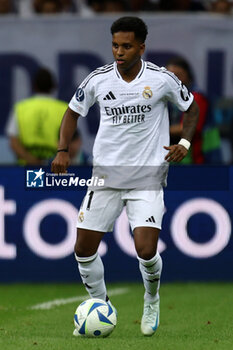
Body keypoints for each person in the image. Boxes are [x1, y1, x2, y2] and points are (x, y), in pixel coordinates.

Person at [51, 16, 199, 336]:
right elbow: (72, 112)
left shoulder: (162, 79)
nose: (119, 51)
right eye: (115, 45)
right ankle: (102, 306)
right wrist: (62, 149)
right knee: (83, 250)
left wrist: (184, 142)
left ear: (141, 47)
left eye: (127, 46)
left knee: (145, 250)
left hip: (147, 175)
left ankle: (152, 298)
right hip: (105, 175)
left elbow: (192, 108)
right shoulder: (98, 79)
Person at [6, 67, 67, 165]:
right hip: (55, 167)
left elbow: (13, 142)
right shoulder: (63, 109)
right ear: (53, 86)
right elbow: (71, 142)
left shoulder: (20, 108)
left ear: (34, 86)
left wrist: (30, 159)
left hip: (25, 168)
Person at [166, 56, 208, 164]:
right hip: (177, 155)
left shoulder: (196, 97)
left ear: (188, 75)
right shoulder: (168, 97)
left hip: (199, 155)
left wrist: (158, 131)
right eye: (170, 76)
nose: (174, 80)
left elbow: (188, 126)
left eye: (178, 75)